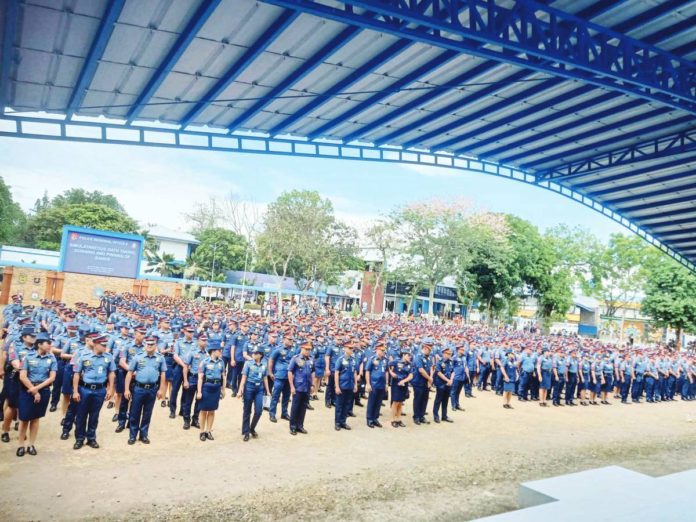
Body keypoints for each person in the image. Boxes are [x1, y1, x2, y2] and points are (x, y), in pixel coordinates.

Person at [16, 333, 57, 456]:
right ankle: (20, 445)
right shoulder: (28, 357)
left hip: (42, 390)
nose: (50, 345)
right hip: (27, 390)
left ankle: (31, 444)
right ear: (39, 344)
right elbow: (22, 376)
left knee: (35, 418)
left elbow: (52, 378)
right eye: (47, 343)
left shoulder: (52, 358)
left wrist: (37, 390)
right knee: (24, 419)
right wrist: (33, 390)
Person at [72, 334, 115, 449]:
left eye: (106, 345)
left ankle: (91, 438)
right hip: (85, 389)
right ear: (95, 344)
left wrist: (110, 389)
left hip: (100, 390)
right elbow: (76, 374)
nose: (105, 347)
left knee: (94, 415)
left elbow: (111, 373)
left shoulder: (108, 357)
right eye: (103, 345)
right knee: (81, 415)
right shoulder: (84, 356)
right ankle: (79, 439)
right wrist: (75, 391)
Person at [124, 336, 166, 445]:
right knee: (135, 413)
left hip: (152, 389)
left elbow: (163, 374)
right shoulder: (137, 357)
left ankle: (144, 435)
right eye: (147, 344)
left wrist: (161, 389)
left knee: (147, 413)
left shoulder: (160, 358)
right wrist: (126, 389)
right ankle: (132, 436)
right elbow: (129, 373)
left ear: (155, 346)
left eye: (152, 344)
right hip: (138, 388)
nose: (149, 346)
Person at [237, 346, 269, 441]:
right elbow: (244, 377)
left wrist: (268, 391)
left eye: (255, 353)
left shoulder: (264, 364)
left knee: (259, 411)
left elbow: (265, 377)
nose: (253, 354)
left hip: (259, 389)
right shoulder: (248, 363)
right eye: (253, 352)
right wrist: (240, 390)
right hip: (249, 387)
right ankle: (246, 432)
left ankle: (252, 428)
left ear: (260, 355)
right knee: (247, 410)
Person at [196, 341, 226, 441]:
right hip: (207, 387)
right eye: (219, 350)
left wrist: (223, 389)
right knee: (204, 410)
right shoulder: (204, 362)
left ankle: (209, 431)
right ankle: (202, 432)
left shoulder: (221, 362)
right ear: (213, 351)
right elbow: (200, 378)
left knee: (212, 410)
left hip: (216, 387)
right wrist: (199, 392)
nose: (220, 352)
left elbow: (223, 376)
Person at [181, 333, 208, 430]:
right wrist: (185, 380)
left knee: (199, 401)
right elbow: (185, 366)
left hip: (203, 380)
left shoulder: (207, 354)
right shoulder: (192, 352)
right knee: (188, 401)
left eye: (205, 340)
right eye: (202, 340)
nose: (204, 342)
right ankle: (186, 420)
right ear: (198, 341)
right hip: (192, 378)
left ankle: (195, 419)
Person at [287, 340, 313, 435]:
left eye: (309, 350)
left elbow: (312, 372)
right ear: (302, 348)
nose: (308, 351)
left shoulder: (311, 359)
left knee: (303, 407)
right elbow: (290, 372)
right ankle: (293, 427)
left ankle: (300, 426)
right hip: (298, 387)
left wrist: (312, 385)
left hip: (307, 387)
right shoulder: (296, 358)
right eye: (306, 349)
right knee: (295, 407)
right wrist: (292, 386)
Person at [268, 334, 293, 423]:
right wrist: (270, 372)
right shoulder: (278, 349)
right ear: (284, 339)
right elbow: (271, 360)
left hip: (289, 377)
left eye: (291, 340)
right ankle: (272, 413)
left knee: (286, 396)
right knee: (276, 395)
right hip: (279, 376)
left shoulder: (293, 350)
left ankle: (284, 413)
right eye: (289, 339)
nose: (290, 341)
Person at [333, 339, 358, 431]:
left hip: (350, 386)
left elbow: (355, 372)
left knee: (347, 405)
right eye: (350, 348)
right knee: (339, 405)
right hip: (342, 386)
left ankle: (343, 421)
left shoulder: (353, 360)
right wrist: (337, 386)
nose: (351, 350)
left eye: (352, 348)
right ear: (345, 349)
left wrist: (355, 384)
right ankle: (337, 423)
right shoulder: (340, 359)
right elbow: (336, 373)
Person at [364, 341, 388, 428]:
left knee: (378, 402)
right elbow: (367, 371)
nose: (383, 352)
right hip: (374, 384)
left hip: (382, 385)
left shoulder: (385, 360)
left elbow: (386, 372)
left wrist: (386, 383)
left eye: (384, 350)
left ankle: (375, 418)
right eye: (381, 350)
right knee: (372, 402)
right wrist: (368, 384)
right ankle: (369, 419)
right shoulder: (372, 359)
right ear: (377, 350)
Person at [388, 348, 413, 427]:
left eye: (410, 356)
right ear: (403, 355)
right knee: (395, 402)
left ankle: (398, 419)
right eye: (408, 355)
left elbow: (411, 375)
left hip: (404, 384)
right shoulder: (396, 361)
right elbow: (388, 365)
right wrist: (391, 373)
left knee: (400, 402)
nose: (409, 357)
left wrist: (404, 381)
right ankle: (393, 419)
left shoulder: (410, 364)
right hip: (396, 384)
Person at [412, 340, 434, 425]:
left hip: (426, 382)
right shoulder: (418, 357)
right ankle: (416, 417)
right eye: (429, 349)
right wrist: (429, 379)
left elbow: (431, 367)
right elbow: (421, 370)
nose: (430, 350)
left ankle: (422, 416)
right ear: (425, 348)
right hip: (418, 382)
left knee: (425, 399)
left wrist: (430, 378)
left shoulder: (428, 357)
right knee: (418, 399)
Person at [433, 346, 454, 423]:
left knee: (445, 400)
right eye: (448, 354)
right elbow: (438, 373)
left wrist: (451, 380)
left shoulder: (451, 361)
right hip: (441, 384)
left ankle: (444, 416)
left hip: (448, 384)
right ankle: (436, 416)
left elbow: (453, 371)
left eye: (450, 354)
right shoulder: (439, 362)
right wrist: (447, 380)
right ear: (443, 353)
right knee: (438, 400)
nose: (449, 355)